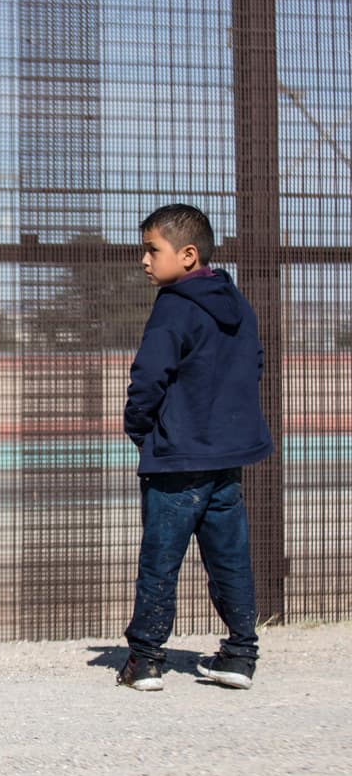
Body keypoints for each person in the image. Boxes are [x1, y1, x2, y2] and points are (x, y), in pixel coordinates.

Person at [116, 204, 272, 692]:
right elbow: (255, 363)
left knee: (161, 557)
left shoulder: (174, 305)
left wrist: (141, 429)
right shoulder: (235, 301)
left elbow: (148, 377)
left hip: (177, 458)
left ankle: (145, 661)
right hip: (227, 457)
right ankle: (240, 655)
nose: (143, 260)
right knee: (230, 556)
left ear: (186, 255)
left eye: (151, 249)